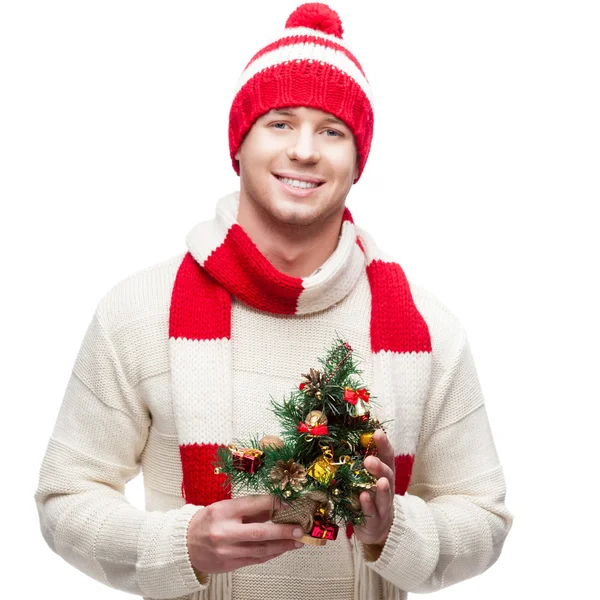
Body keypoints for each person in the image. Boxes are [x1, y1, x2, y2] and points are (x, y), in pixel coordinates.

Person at [34, 3, 513, 600]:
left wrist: (395, 529)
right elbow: (65, 496)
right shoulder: (136, 312)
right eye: (280, 123)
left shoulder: (430, 330)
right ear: (239, 145)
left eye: (331, 131)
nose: (305, 151)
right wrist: (181, 547)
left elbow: (484, 517)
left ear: (357, 162)